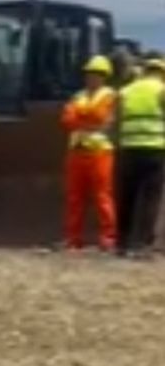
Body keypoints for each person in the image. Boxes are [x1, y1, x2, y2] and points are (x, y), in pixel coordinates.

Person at [59, 55, 118, 251]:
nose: (91, 78)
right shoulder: (78, 96)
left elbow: (103, 116)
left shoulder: (110, 96)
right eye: (89, 74)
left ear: (104, 77)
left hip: (100, 152)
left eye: (96, 75)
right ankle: (72, 239)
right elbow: (67, 121)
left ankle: (107, 239)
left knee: (102, 196)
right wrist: (91, 121)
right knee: (74, 197)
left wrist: (83, 117)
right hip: (77, 151)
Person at [114, 56, 165, 257]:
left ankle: (122, 243)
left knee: (127, 197)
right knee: (150, 198)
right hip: (155, 150)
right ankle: (143, 245)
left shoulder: (126, 91)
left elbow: (116, 122)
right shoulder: (162, 90)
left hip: (128, 149)